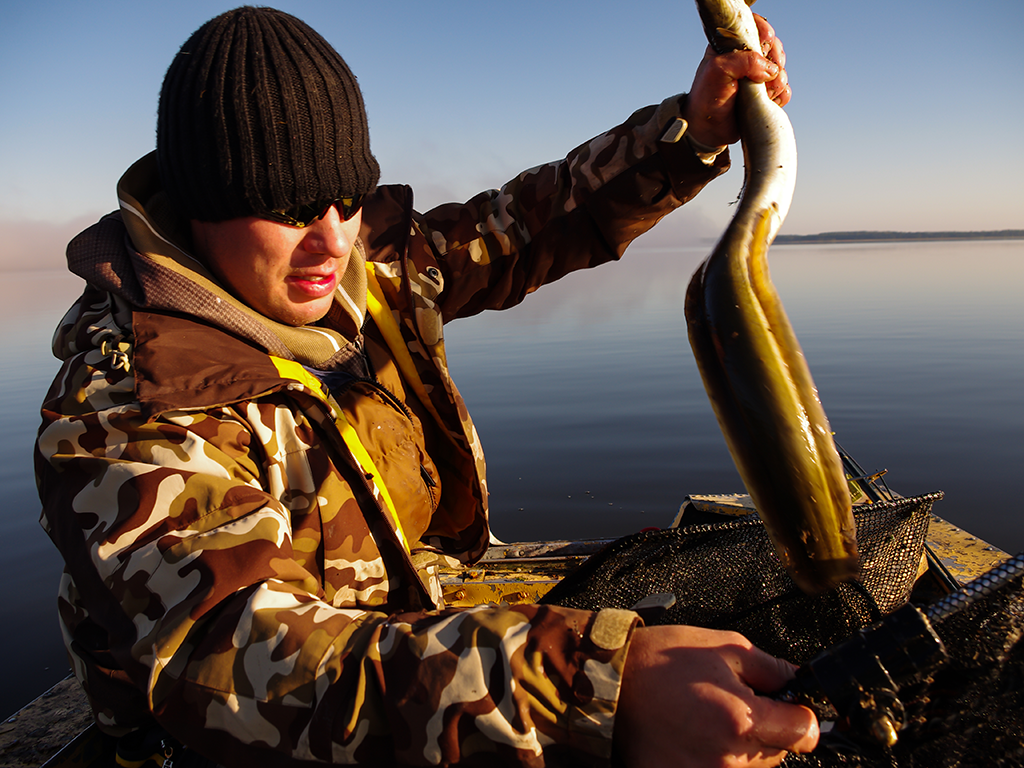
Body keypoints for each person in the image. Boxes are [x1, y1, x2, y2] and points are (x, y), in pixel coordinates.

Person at [35, 6, 814, 767]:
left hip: (412, 626)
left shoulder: (369, 270)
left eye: (346, 197)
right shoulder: (129, 406)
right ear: (201, 206)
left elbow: (534, 221)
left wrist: (692, 133)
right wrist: (596, 691)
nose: (331, 240)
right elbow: (230, 658)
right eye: (288, 208)